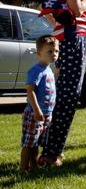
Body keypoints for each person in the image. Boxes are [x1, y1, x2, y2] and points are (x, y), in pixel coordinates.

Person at [39, 0, 86, 168]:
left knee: (65, 95)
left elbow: (50, 8)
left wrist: (58, 29)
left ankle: (48, 148)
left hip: (71, 37)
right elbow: (78, 8)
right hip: (74, 38)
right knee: (68, 96)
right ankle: (51, 154)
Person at [20, 35, 59, 171]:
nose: (54, 54)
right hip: (34, 113)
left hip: (46, 114)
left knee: (35, 142)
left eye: (56, 51)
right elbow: (30, 91)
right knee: (29, 143)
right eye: (49, 51)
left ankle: (34, 165)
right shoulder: (36, 70)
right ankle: (23, 168)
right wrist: (37, 110)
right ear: (39, 54)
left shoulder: (48, 70)